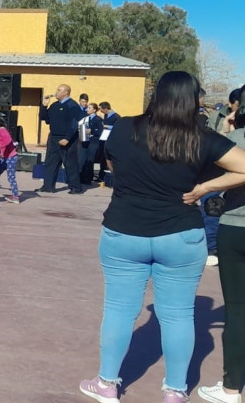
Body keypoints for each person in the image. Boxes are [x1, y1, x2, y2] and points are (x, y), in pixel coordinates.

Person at [79, 71, 245, 403]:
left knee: (119, 310)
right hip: (181, 235)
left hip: (124, 231)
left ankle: (108, 384)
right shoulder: (203, 137)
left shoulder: (125, 126)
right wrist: (205, 187)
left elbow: (111, 163)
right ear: (192, 99)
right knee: (180, 314)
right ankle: (175, 390)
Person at [198, 106, 245, 403]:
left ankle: (231, 388)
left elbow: (210, 169)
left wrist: (230, 130)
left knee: (238, 309)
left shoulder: (236, 139)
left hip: (237, 225)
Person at [39, 84, 85, 194]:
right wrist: (44, 106)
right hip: (53, 137)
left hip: (66, 138)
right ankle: (48, 186)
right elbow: (45, 119)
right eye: (57, 89)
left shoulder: (72, 105)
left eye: (59, 90)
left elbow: (74, 123)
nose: (56, 92)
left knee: (70, 163)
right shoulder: (55, 105)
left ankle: (75, 187)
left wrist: (67, 138)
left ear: (66, 92)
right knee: (51, 162)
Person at [0, 117, 20, 203]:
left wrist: (0, 146)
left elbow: (8, 140)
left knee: (11, 177)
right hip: (4, 158)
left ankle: (15, 196)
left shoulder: (2, 130)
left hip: (11, 158)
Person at [79, 103, 105, 185]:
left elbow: (101, 131)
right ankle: (82, 177)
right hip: (86, 140)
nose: (87, 109)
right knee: (83, 159)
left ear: (94, 110)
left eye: (89, 108)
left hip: (94, 141)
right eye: (87, 108)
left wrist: (92, 131)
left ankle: (88, 178)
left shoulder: (98, 119)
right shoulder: (86, 119)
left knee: (90, 159)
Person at [97, 102, 119, 184]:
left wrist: (108, 127)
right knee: (103, 157)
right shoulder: (106, 116)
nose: (101, 111)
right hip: (104, 139)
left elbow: (118, 128)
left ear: (106, 108)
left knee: (110, 159)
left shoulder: (116, 117)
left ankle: (113, 176)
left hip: (111, 140)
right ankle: (101, 176)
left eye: (101, 109)